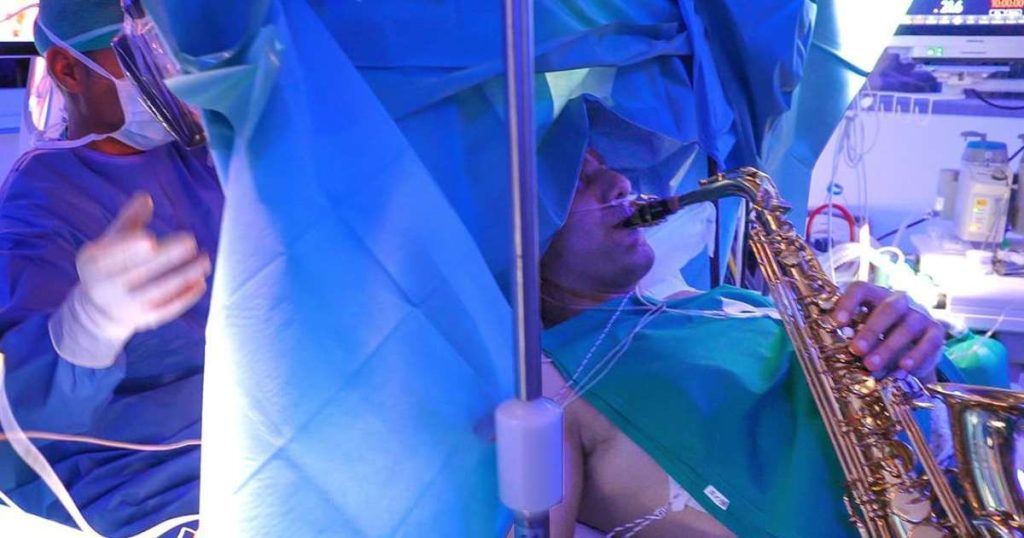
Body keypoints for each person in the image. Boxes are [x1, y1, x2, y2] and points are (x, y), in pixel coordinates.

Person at [541, 150, 952, 537]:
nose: (620, 182)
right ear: (521, 237)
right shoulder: (550, 385)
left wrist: (913, 357)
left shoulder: (726, 301)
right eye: (576, 180)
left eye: (604, 165)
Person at [0, 0, 222, 535]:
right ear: (68, 70)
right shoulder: (39, 204)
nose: (172, 76)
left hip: (249, 420)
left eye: (175, 57)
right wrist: (87, 330)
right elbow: (25, 420)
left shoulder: (198, 158)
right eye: (147, 57)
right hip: (141, 479)